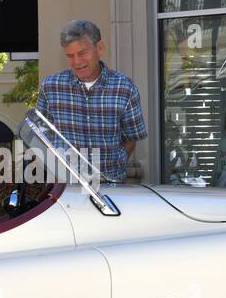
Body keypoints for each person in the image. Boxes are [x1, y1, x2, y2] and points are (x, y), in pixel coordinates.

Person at [35, 19, 147, 182]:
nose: (76, 62)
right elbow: (41, 135)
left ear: (99, 47)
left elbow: (132, 137)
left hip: (110, 187)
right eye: (70, 55)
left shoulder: (124, 88)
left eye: (82, 53)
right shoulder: (50, 87)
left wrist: (116, 164)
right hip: (64, 189)